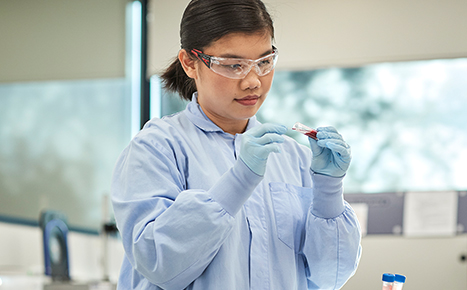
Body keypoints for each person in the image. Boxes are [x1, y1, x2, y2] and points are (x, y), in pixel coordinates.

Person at [111, 0, 362, 289]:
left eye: (264, 62)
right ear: (190, 63)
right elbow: (159, 264)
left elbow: (328, 277)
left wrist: (329, 191)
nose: (253, 81)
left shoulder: (292, 156)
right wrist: (240, 180)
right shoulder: (156, 148)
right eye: (233, 65)